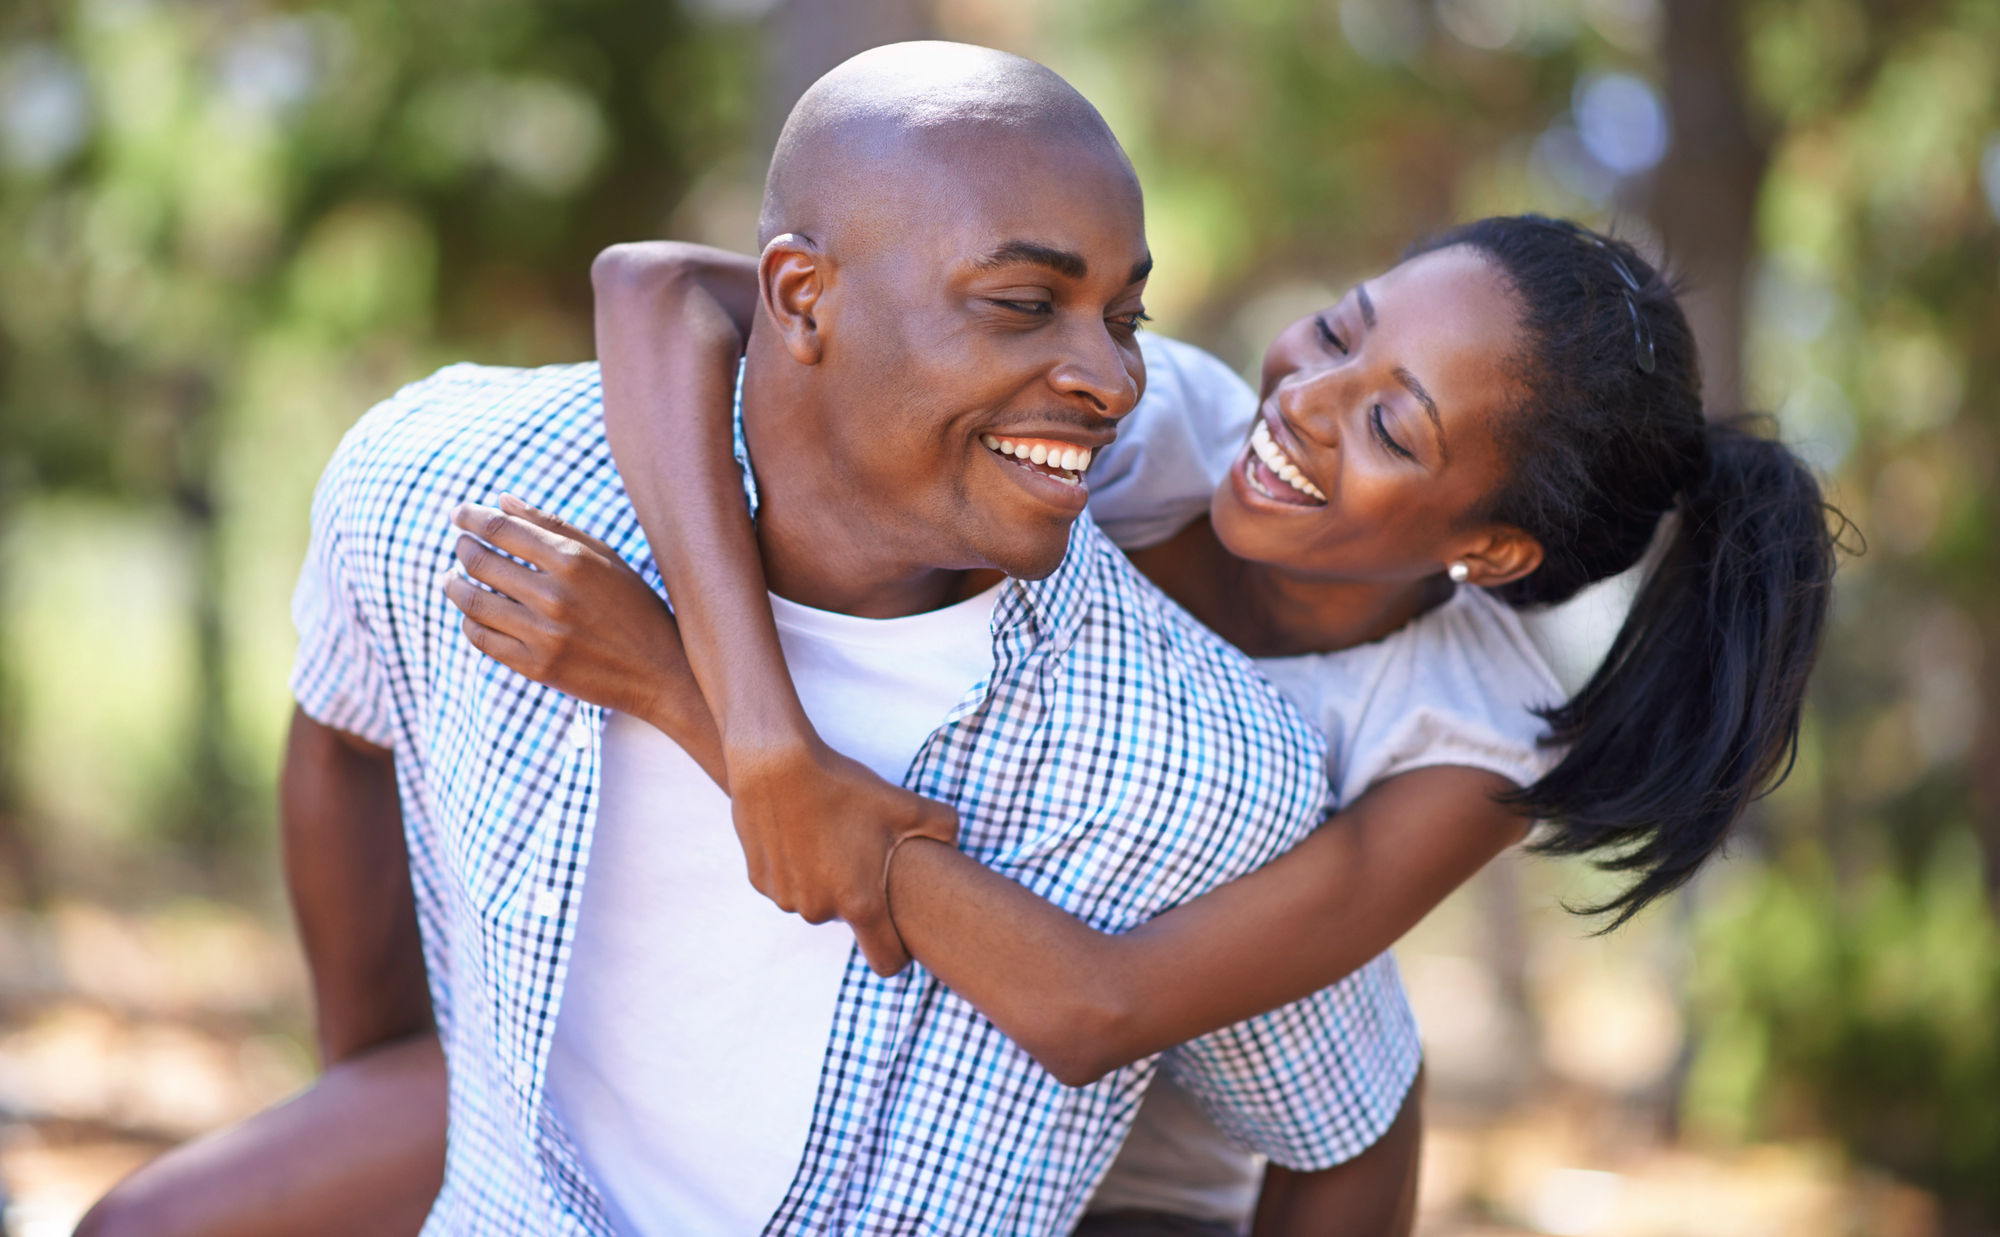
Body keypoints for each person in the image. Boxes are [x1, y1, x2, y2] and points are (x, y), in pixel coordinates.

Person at [84, 42, 1429, 1237]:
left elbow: (1353, 1122)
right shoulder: (454, 486)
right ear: (798, 297)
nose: (1114, 377)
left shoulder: (1196, 770)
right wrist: (390, 1086)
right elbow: (341, 727)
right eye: (1026, 305)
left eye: (1126, 316)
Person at [443, 213, 1839, 1235]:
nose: (1303, 400)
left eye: (1394, 431)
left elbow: (1100, 1007)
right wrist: (755, 723)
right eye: (1344, 326)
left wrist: (676, 691)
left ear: (1490, 549)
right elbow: (657, 289)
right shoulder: (1136, 420)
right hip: (850, 1020)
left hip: (1138, 1187)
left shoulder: (1466, 742)